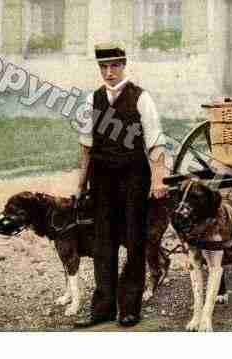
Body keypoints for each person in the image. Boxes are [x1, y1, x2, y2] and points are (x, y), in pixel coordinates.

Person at [75, 43, 169, 328]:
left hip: (133, 178)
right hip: (102, 180)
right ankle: (103, 307)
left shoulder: (141, 98)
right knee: (103, 245)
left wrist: (158, 180)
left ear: (123, 64)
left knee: (134, 242)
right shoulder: (92, 100)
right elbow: (86, 149)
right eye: (103, 67)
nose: (109, 72)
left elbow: (155, 144)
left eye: (114, 66)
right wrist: (80, 185)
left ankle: (129, 308)